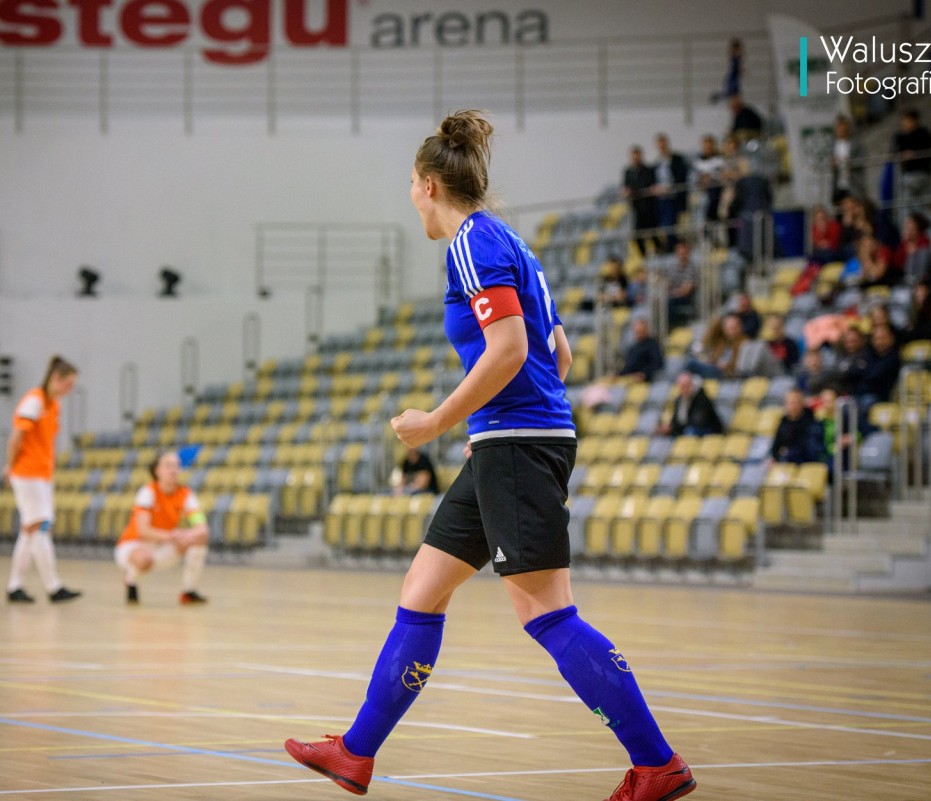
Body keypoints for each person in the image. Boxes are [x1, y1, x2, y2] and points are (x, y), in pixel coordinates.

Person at [284, 111, 696, 801]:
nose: (411, 196)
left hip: (514, 445)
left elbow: (509, 350)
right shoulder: (511, 242)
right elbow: (559, 354)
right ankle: (356, 752)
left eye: (410, 185)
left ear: (429, 185)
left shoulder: (471, 244)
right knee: (422, 590)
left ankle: (658, 763)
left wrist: (437, 421)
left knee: (548, 614)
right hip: (508, 442)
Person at [4, 355, 82, 604]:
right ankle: (53, 586)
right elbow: (16, 438)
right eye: (68, 384)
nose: (69, 390)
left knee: (29, 531)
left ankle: (15, 585)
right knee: (40, 528)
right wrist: (10, 467)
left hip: (41, 473)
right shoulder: (34, 401)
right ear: (56, 378)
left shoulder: (53, 405)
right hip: (28, 473)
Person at [114, 450, 210, 605]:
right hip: (134, 543)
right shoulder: (148, 492)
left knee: (199, 540)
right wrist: (172, 535)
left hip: (162, 545)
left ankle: (189, 590)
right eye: (168, 466)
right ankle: (131, 579)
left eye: (177, 466)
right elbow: (144, 531)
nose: (174, 470)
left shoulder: (185, 494)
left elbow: (202, 528)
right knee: (144, 559)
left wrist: (186, 535)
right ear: (157, 470)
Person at [892, 110, 931, 211]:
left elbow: (929, 153)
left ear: (914, 120)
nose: (904, 123)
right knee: (907, 204)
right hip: (907, 174)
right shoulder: (900, 136)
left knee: (924, 204)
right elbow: (896, 154)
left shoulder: (924, 134)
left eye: (907, 120)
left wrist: (913, 154)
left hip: (922, 173)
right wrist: (903, 157)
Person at [653, 133, 689, 253]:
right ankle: (669, 247)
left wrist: (669, 187)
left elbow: (681, 177)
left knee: (672, 225)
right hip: (661, 200)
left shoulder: (677, 159)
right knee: (664, 226)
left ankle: (675, 248)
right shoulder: (657, 163)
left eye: (663, 144)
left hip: (674, 197)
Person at [622, 145, 659, 258]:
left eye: (637, 157)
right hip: (636, 208)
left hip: (649, 207)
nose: (635, 159)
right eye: (633, 157)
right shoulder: (628, 172)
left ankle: (661, 252)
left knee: (653, 234)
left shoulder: (648, 170)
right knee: (636, 235)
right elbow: (626, 187)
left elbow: (651, 186)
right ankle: (644, 256)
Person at [660, 372, 723, 438]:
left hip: (709, 429)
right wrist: (670, 427)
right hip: (688, 428)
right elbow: (676, 420)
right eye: (682, 387)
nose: (685, 389)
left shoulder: (701, 397)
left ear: (692, 384)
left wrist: (681, 425)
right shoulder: (679, 400)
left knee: (689, 431)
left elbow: (699, 420)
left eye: (687, 386)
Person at [770, 389, 821, 464]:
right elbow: (776, 444)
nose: (793, 406)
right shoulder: (784, 421)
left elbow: (810, 446)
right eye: (790, 402)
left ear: (802, 403)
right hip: (787, 461)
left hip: (806, 461)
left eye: (796, 402)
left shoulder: (811, 420)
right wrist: (775, 457)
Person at [830, 116, 865, 202]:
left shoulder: (856, 144)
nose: (841, 129)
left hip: (853, 182)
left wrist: (849, 163)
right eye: (838, 127)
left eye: (843, 126)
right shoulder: (833, 145)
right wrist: (833, 163)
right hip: (838, 184)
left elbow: (862, 160)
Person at [620, 318, 665, 383]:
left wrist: (644, 374)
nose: (638, 333)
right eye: (637, 332)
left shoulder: (653, 345)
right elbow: (628, 367)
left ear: (646, 330)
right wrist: (618, 374)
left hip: (648, 380)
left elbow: (657, 363)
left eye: (641, 331)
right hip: (631, 378)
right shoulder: (632, 348)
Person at [666, 239, 697, 327]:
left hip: (687, 297)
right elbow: (668, 283)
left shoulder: (692, 268)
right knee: (658, 300)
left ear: (688, 252)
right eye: (679, 251)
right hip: (673, 295)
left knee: (669, 301)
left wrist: (673, 292)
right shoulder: (672, 267)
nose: (681, 254)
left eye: (683, 251)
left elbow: (687, 289)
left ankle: (672, 326)